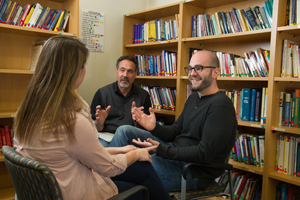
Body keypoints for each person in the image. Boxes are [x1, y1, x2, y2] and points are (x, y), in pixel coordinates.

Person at [13, 36, 171, 200]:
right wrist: (136, 154)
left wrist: (122, 149)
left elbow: (79, 152)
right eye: (84, 64)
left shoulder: (25, 112)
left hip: (53, 188)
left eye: (130, 71)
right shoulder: (72, 121)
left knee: (141, 169)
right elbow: (107, 167)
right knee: (141, 185)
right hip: (78, 190)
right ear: (75, 70)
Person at [109, 50, 237, 192]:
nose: (192, 73)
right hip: (174, 153)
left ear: (215, 73)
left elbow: (204, 153)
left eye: (199, 68)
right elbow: (175, 131)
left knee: (135, 164)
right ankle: (104, 172)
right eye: (190, 68)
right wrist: (153, 127)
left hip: (191, 171)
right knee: (124, 131)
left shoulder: (221, 106)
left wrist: (162, 150)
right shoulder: (194, 98)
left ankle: (107, 184)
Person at [90, 55, 151, 147]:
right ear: (116, 72)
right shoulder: (101, 93)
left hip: (130, 138)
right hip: (106, 137)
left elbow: (144, 130)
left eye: (130, 71)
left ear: (135, 75)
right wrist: (100, 122)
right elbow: (93, 129)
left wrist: (137, 121)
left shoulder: (143, 95)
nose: (125, 75)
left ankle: (113, 158)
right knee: (100, 147)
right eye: (122, 70)